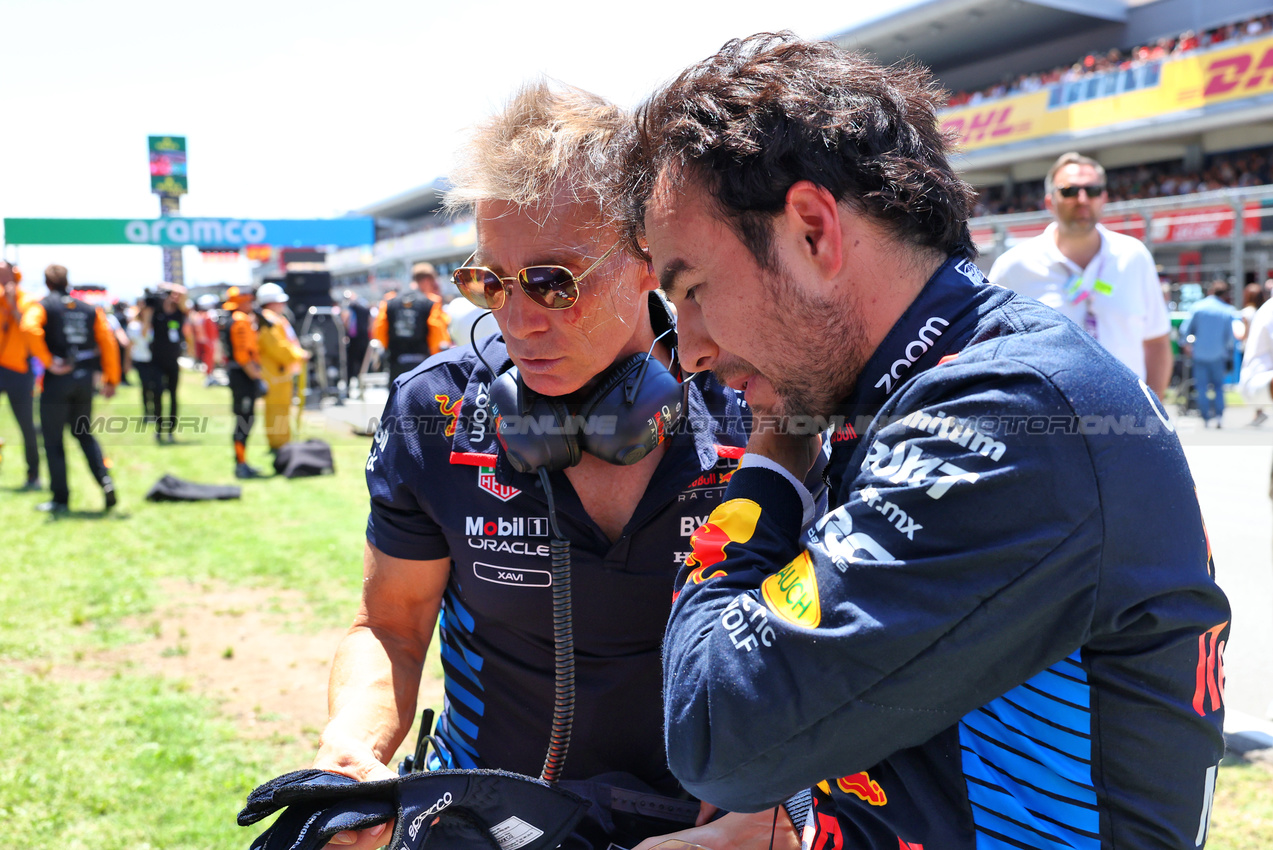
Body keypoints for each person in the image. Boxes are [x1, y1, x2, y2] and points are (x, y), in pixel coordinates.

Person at [619, 33, 1230, 850]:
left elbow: (718, 729)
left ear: (811, 230)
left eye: (692, 289)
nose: (687, 350)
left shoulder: (1007, 416)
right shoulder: (895, 397)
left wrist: (765, 470)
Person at [312, 82, 789, 850]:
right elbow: (391, 627)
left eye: (553, 281)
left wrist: (777, 805)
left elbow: (828, 645)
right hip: (486, 821)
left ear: (646, 259)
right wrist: (352, 747)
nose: (517, 318)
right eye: (489, 281)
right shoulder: (433, 412)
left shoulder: (755, 397)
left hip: (710, 829)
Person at [989, 151, 1173, 398]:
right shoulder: (1014, 266)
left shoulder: (1133, 257)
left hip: (1126, 422)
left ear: (1104, 197)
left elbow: (1157, 342)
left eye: (1093, 190)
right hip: (1046, 423)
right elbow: (989, 349)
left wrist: (1154, 416)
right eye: (1069, 191)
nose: (1083, 199)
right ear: (1049, 201)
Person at [21, 264, 120, 514]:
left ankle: (60, 499)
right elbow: (108, 341)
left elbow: (28, 328)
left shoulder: (43, 305)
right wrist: (112, 378)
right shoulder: (89, 308)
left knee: (53, 441)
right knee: (84, 433)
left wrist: (49, 361)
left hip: (57, 381)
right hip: (85, 380)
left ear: (47, 283)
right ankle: (104, 481)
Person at [371, 261, 452, 383]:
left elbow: (379, 331)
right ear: (426, 281)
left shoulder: (390, 301)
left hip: (395, 363)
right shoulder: (431, 302)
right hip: (422, 365)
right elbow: (438, 337)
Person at [0, 261, 43, 490]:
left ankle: (33, 474)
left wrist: (11, 302)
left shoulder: (27, 299)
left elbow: (27, 327)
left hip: (19, 370)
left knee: (27, 425)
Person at [254, 282, 308, 452]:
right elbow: (276, 346)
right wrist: (298, 355)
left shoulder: (275, 319)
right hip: (275, 373)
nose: (283, 304)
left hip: (280, 373)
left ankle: (282, 443)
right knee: (277, 410)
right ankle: (279, 445)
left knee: (282, 409)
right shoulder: (269, 320)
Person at [222, 286, 267, 479]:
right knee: (244, 420)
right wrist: (257, 378)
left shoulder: (234, 319)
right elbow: (243, 356)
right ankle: (240, 465)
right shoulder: (240, 321)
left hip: (240, 375)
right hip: (243, 376)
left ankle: (242, 462)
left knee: (246, 419)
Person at [1180, 280, 1238, 427]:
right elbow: (1230, 338)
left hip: (1199, 354)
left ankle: (1206, 418)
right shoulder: (1227, 310)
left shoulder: (1198, 308)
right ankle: (1219, 417)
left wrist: (1186, 345)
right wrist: (1229, 354)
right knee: (1219, 387)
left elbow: (1185, 330)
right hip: (1219, 355)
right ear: (1224, 294)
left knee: (1201, 387)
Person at [148, 284, 189, 444]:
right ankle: (159, 428)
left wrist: (166, 286)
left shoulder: (179, 312)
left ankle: (171, 430)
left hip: (172, 361)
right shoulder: (156, 312)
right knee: (157, 394)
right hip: (157, 361)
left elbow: (183, 293)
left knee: (173, 395)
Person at [126, 299, 158, 425]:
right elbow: (134, 343)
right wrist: (126, 363)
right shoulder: (134, 326)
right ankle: (147, 413)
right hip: (141, 361)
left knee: (156, 388)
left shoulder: (156, 325)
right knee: (145, 387)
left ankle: (156, 413)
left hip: (154, 361)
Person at [1239, 282, 1267, 425]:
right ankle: (1259, 412)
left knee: (1249, 381)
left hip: (1251, 350)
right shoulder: (1264, 310)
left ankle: (1258, 413)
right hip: (1265, 352)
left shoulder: (1247, 312)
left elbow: (1244, 334)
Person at [342, 289, 372, 386]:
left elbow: (346, 322)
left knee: (353, 364)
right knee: (361, 364)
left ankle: (357, 386)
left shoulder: (350, 309)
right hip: (361, 339)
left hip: (355, 339)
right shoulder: (365, 309)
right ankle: (361, 386)